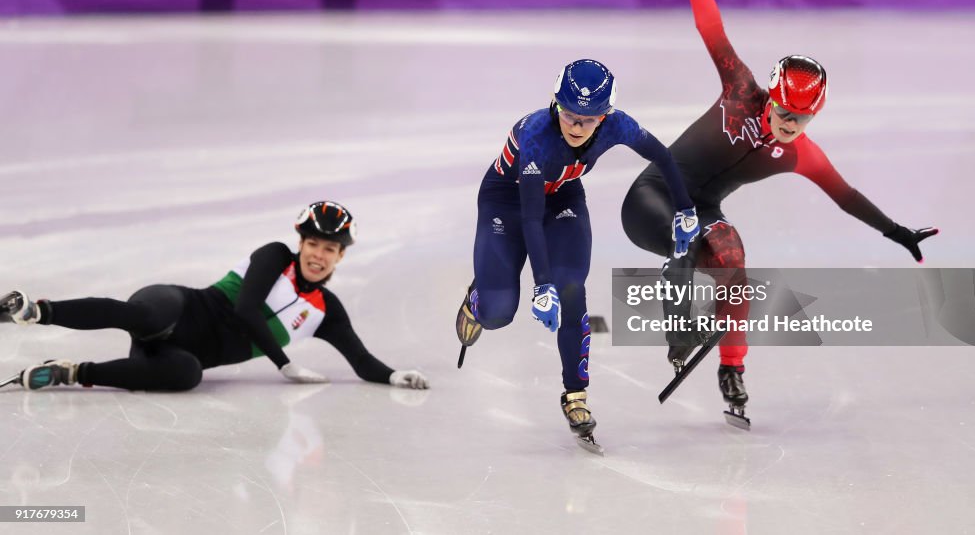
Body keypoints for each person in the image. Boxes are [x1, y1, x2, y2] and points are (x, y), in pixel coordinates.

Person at [620, 0, 938, 426]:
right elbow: (710, 27)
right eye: (786, 113)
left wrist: (897, 231)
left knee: (733, 258)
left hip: (699, 209)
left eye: (804, 118)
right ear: (770, 99)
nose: (792, 125)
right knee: (685, 235)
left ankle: (732, 369)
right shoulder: (741, 90)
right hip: (651, 199)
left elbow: (846, 195)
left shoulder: (800, 153)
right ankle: (677, 337)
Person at [455, 59, 699, 449]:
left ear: (606, 116)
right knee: (499, 312)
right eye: (568, 114)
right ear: (555, 104)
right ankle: (480, 296)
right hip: (507, 202)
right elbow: (531, 218)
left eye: (588, 119)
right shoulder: (536, 134)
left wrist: (686, 209)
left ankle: (576, 396)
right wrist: (541, 285)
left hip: (563, 198)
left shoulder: (619, 125)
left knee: (571, 289)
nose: (575, 126)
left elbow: (664, 157)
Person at [1, 201, 429, 393]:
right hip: (181, 307)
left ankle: (70, 374)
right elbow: (244, 309)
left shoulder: (325, 313)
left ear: (340, 257)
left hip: (186, 353)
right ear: (301, 242)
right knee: (147, 317)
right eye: (314, 244)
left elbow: (362, 361)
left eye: (330, 249)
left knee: (187, 376)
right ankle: (37, 311)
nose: (319, 256)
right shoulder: (274, 255)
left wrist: (394, 376)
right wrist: (284, 363)